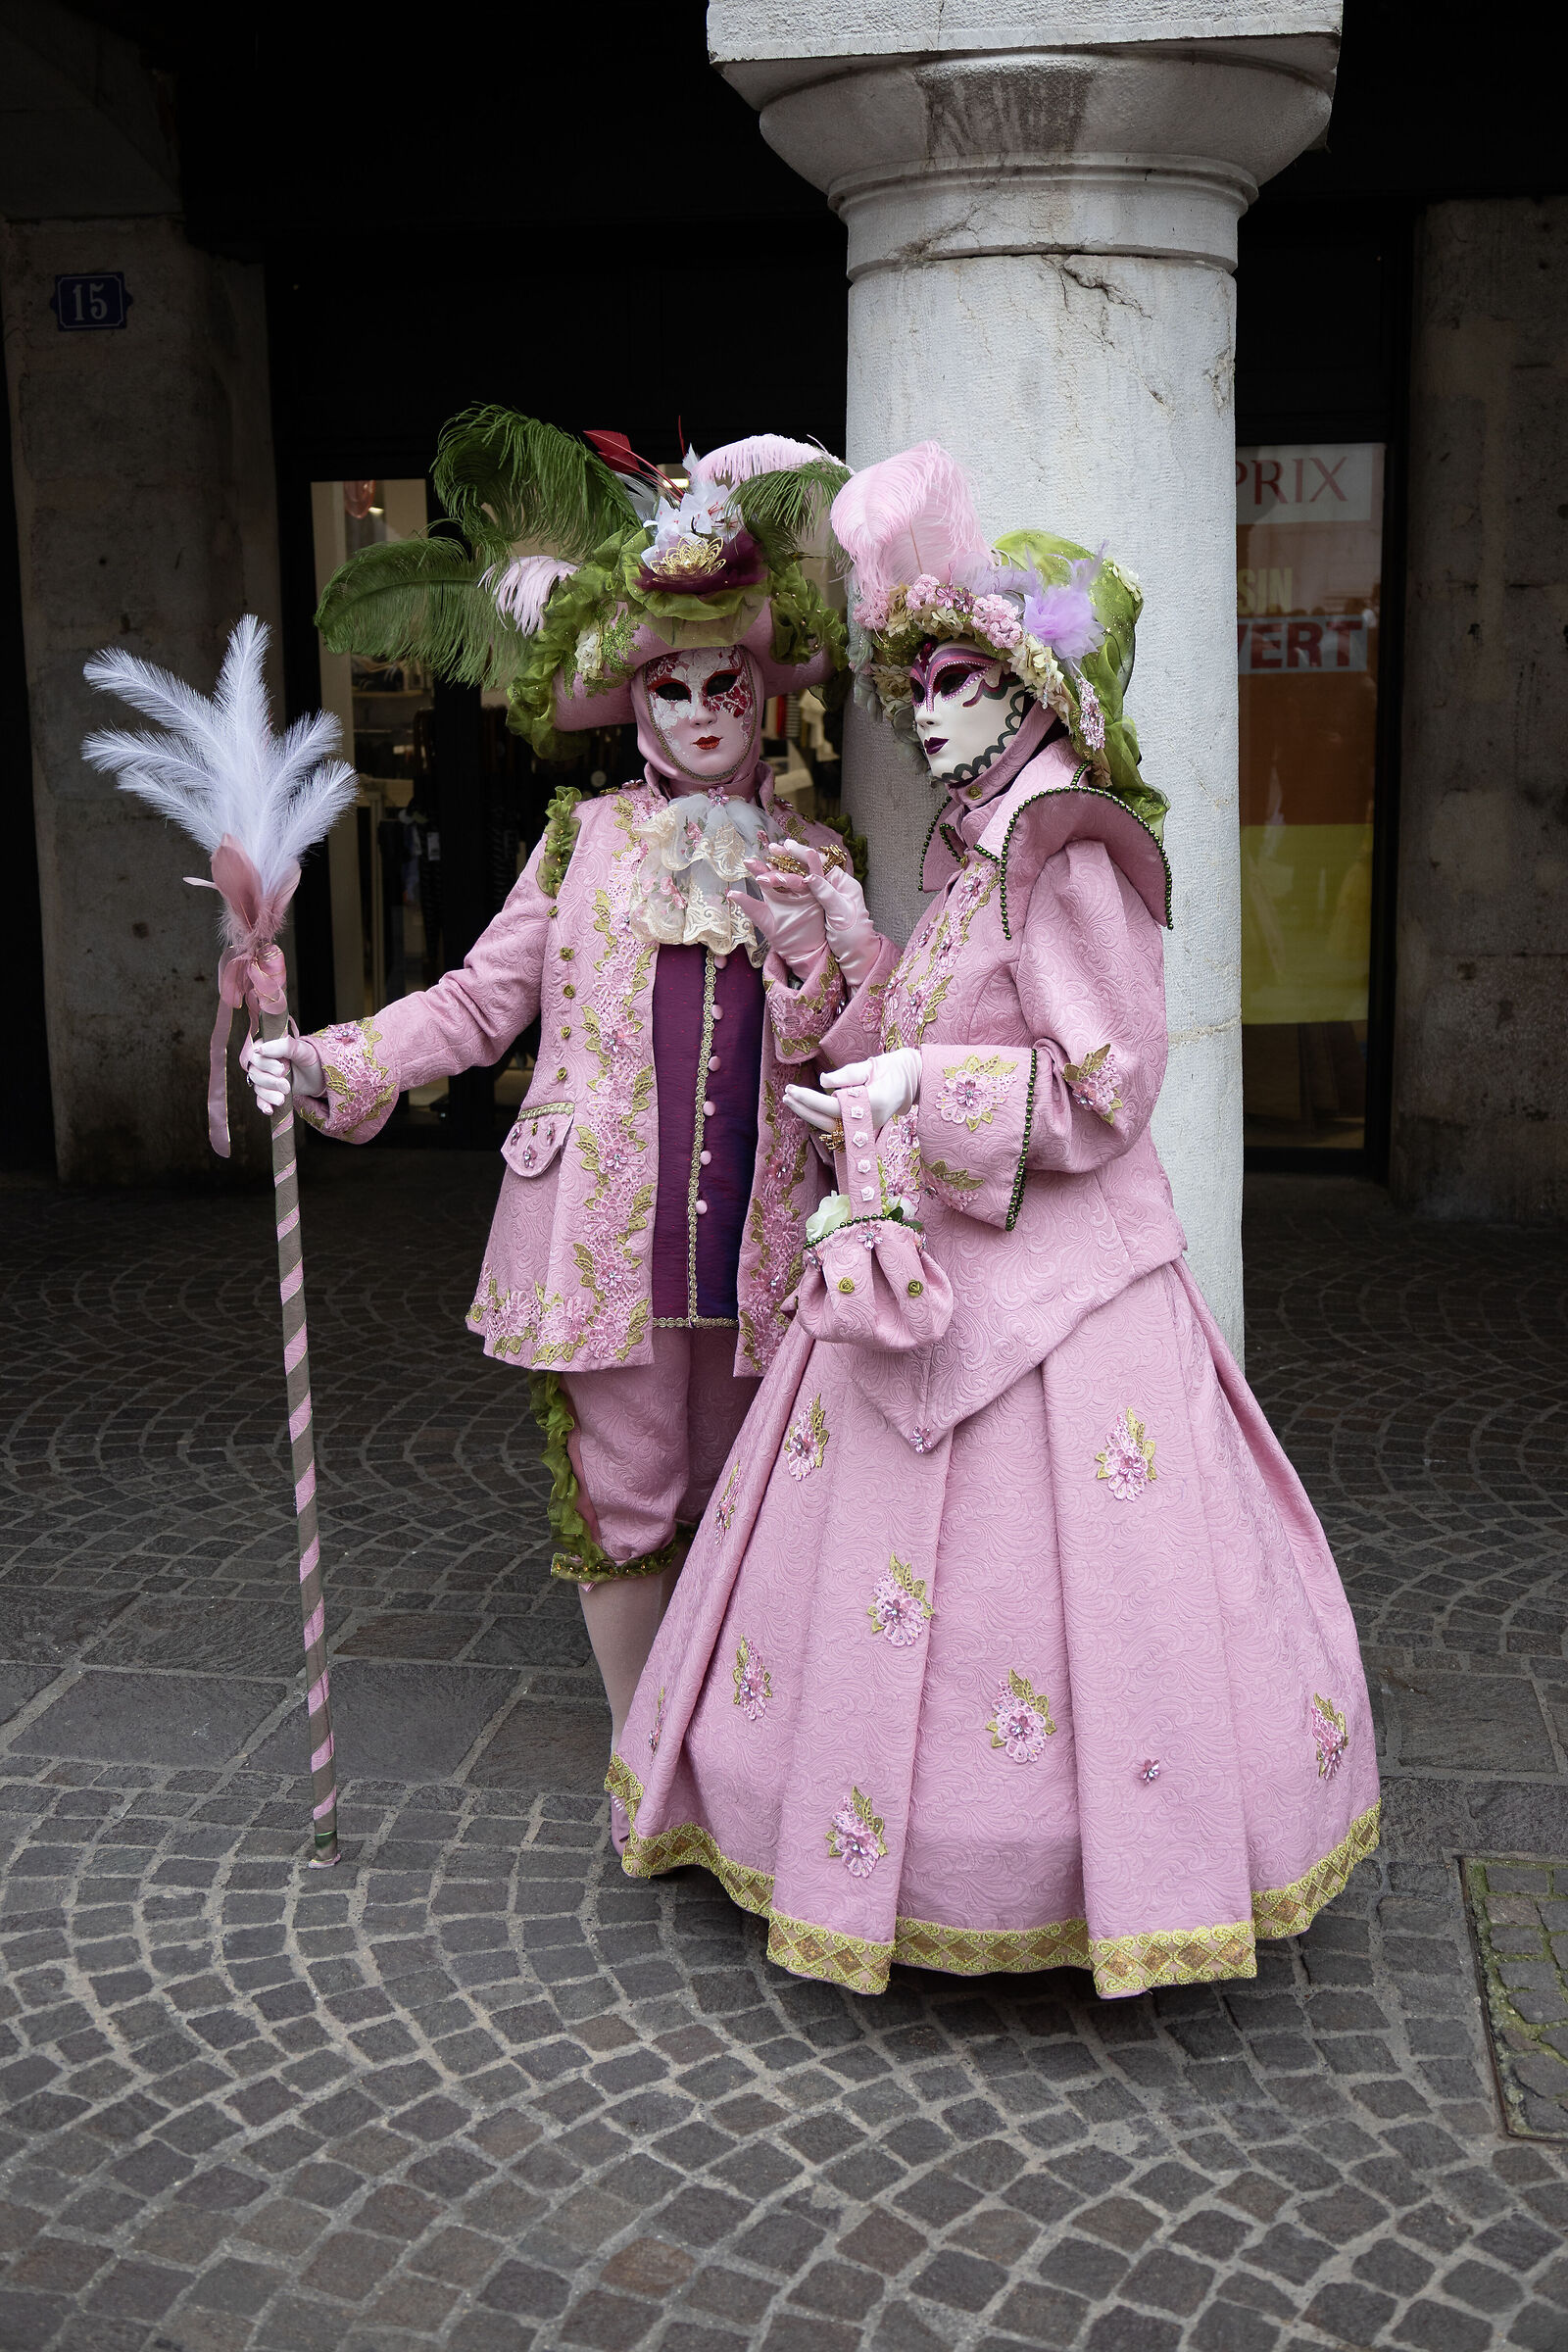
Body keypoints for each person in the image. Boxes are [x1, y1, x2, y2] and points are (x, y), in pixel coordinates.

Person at [608, 440, 1380, 1998]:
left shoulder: (1068, 850)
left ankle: (1081, 1874)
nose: (929, 709)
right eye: (921, 683)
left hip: (1058, 1303)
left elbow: (1105, 1088)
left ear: (1034, 696)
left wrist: (920, 1086)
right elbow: (931, 1021)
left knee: (1065, 1599)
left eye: (960, 680)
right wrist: (847, 951)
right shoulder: (979, 850)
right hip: (932, 1276)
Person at [245, 416, 872, 1830]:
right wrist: (326, 1061)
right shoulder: (578, 846)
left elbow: (855, 1043)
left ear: (763, 699)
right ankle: (647, 1760)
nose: (701, 710)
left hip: (764, 1235)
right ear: (634, 703)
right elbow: (478, 1005)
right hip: (609, 1237)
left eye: (725, 684)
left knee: (752, 1489)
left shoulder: (820, 857)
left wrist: (819, 956)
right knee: (629, 1493)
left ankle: (733, 1744)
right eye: (671, 686)